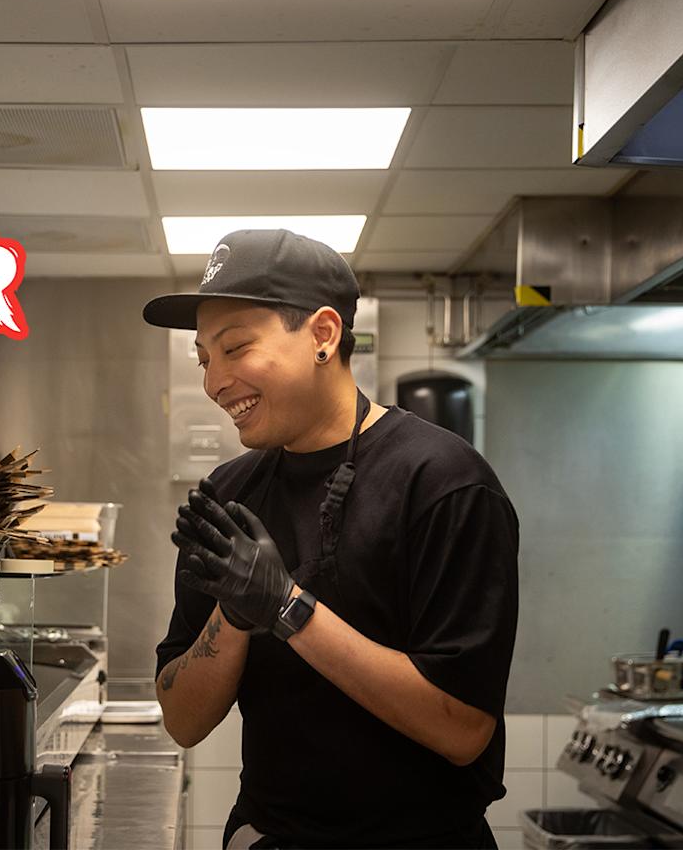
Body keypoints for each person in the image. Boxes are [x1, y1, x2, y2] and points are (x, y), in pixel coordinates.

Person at [143, 229, 520, 849]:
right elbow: (182, 719)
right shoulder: (228, 494)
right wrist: (236, 616)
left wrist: (286, 609)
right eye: (204, 358)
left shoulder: (444, 483)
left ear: (322, 335)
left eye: (235, 347)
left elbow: (462, 730)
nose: (215, 381)